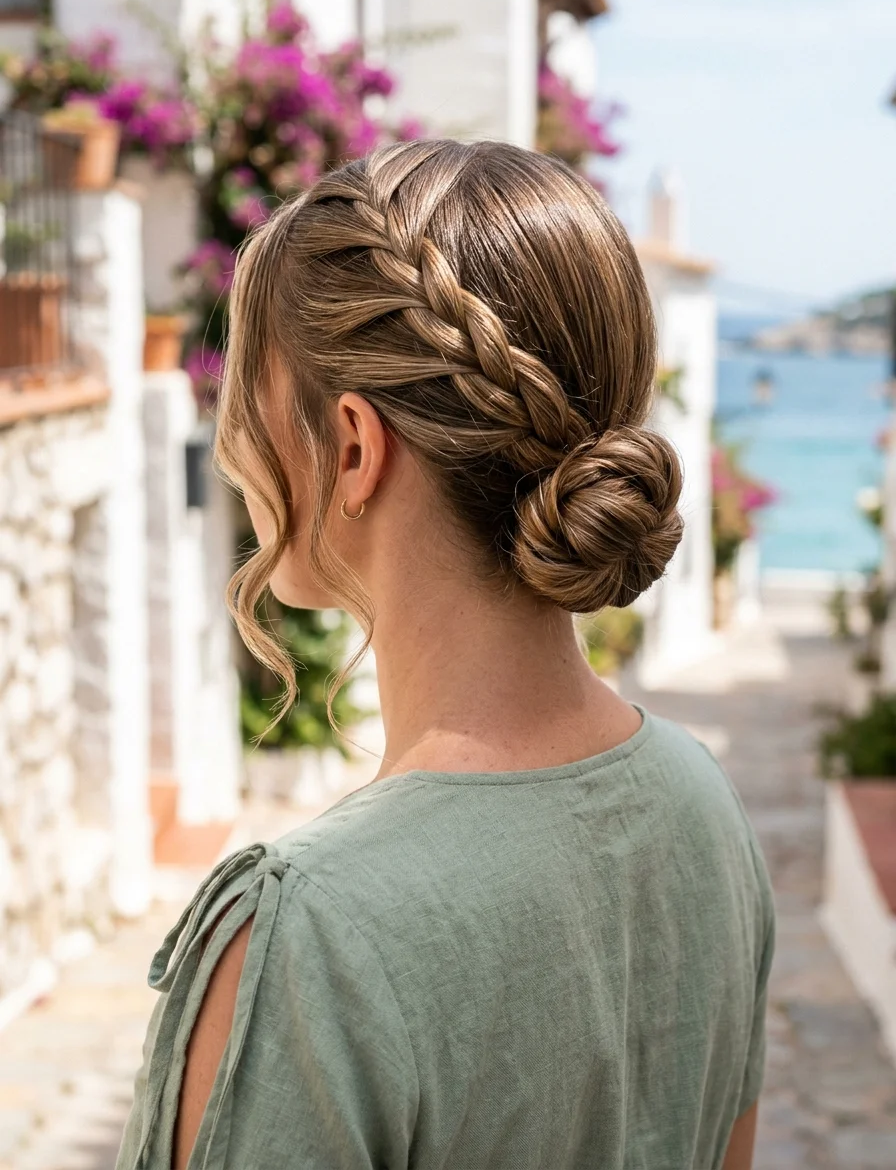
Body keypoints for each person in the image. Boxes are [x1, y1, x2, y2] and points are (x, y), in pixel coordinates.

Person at [117, 139, 774, 1170]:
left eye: (247, 388)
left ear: (350, 447)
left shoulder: (308, 939)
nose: (233, 436)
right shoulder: (703, 811)